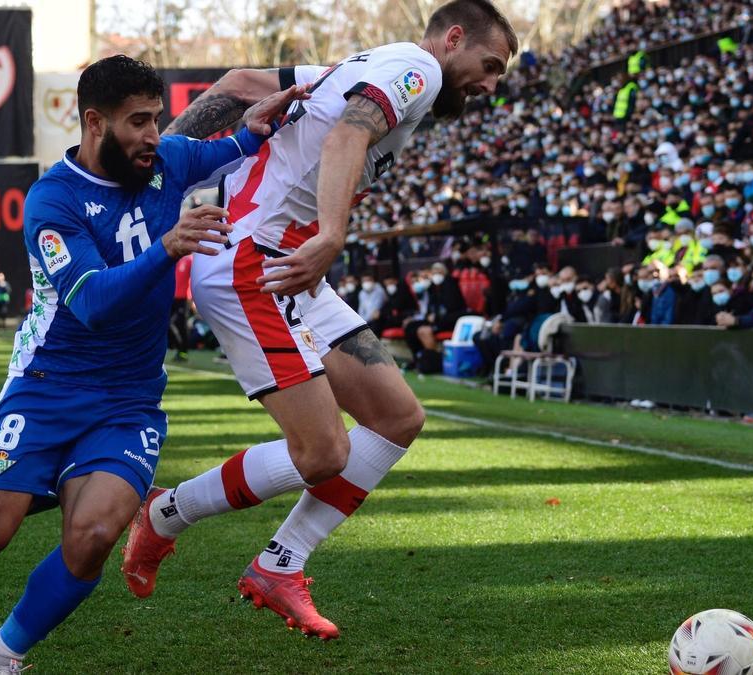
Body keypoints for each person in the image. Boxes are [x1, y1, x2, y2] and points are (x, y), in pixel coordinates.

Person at [0, 55, 300, 674]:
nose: (154, 135)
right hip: (45, 388)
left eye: (157, 119)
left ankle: (2, 656)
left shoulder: (169, 162)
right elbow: (93, 303)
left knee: (94, 537)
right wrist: (168, 247)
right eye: (138, 122)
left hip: (127, 401)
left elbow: (228, 148)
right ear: (94, 122)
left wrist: (254, 127)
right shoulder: (53, 200)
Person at [121, 0, 515, 639]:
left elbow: (243, 84)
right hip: (256, 261)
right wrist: (333, 232)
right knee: (324, 451)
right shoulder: (419, 69)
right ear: (452, 38)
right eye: (490, 65)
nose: (492, 85)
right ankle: (167, 513)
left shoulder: (363, 65)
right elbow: (345, 134)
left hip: (288, 265)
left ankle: (281, 563)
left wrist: (163, 162)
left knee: (396, 418)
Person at [170, 254, 192, 361]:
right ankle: (179, 348)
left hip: (183, 299)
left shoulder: (190, 259)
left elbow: (192, 280)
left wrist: (192, 300)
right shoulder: (176, 259)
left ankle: (183, 352)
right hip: (171, 298)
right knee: (169, 324)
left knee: (180, 324)